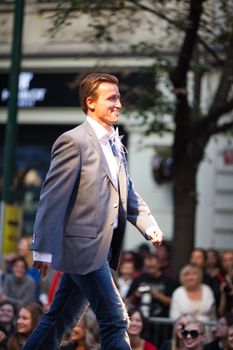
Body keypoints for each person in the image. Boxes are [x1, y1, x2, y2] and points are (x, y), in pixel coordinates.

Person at [22, 73, 163, 350]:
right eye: (111, 98)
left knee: (59, 319)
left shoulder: (116, 145)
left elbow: (128, 194)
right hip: (82, 250)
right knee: (115, 320)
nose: (118, 104)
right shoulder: (73, 141)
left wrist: (149, 225)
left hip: (102, 250)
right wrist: (42, 250)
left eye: (119, 97)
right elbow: (52, 198)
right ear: (90, 102)